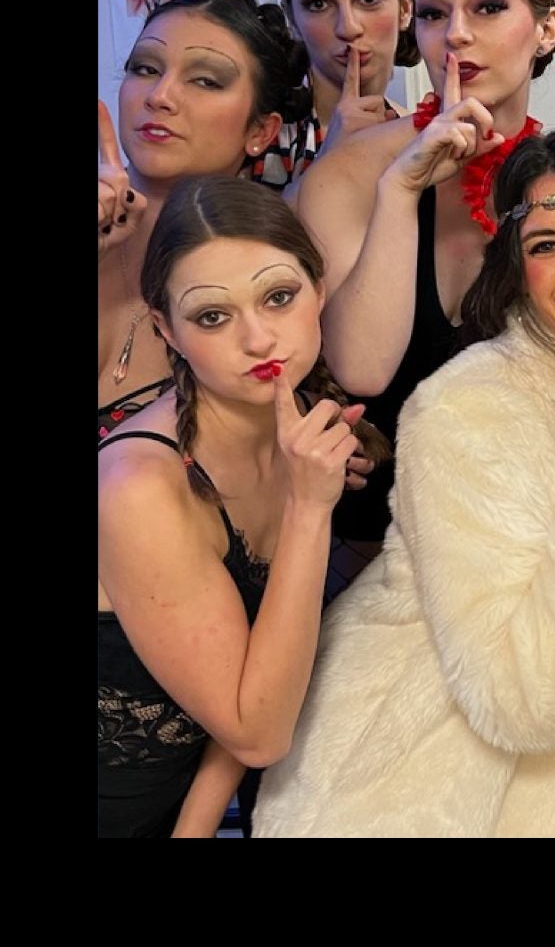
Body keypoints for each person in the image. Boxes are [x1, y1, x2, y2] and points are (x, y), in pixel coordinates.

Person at [259, 129, 555, 836]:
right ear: (518, 265)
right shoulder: (467, 406)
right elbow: (518, 697)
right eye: (546, 244)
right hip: (409, 795)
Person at [97, 177, 383, 836]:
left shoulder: (299, 428)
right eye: (212, 315)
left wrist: (194, 827)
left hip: (167, 804)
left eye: (279, 296)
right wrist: (313, 509)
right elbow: (259, 731)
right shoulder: (140, 486)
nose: (258, 338)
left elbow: (253, 670)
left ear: (319, 286)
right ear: (166, 327)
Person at [289, 0, 555, 557]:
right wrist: (401, 189)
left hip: (520, 539)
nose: (458, 34)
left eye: (489, 7)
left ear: (545, 29)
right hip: (373, 547)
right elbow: (360, 368)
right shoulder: (351, 172)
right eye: (435, 12)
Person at [102, 0, 308, 440]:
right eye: (145, 69)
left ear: (260, 131)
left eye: (205, 81)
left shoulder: (275, 277)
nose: (160, 96)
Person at [263, 0, 417, 188]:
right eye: (318, 3)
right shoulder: (260, 139)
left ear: (405, 8)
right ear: (292, 19)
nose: (347, 27)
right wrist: (334, 161)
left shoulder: (420, 136)